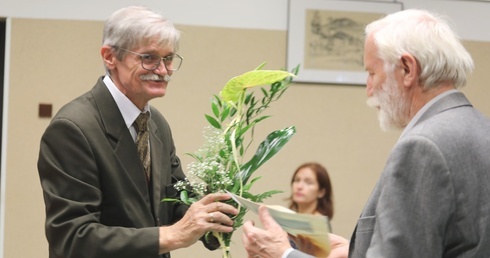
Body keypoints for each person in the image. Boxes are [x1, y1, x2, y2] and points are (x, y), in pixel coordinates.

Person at [242, 8, 490, 258]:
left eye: (372, 73)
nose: (369, 89)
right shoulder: (481, 128)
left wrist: (284, 255)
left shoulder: (422, 146)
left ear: (407, 69)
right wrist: (354, 252)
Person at [37, 6, 238, 258]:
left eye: (168, 59)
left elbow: (176, 202)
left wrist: (221, 210)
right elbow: (73, 238)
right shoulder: (73, 128)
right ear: (110, 56)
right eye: (149, 58)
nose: (163, 71)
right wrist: (170, 235)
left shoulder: (156, 124)